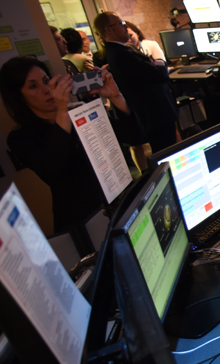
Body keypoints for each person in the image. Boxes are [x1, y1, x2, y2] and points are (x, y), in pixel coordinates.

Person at [0, 57, 136, 234]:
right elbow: (53, 169)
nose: (46, 90)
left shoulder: (81, 111)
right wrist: (63, 111)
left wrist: (116, 97)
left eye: (46, 81)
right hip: (84, 221)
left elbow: (134, 136)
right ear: (19, 97)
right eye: (33, 86)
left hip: (120, 204)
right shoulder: (21, 137)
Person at [93, 12, 179, 154]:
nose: (125, 26)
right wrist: (160, 65)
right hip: (156, 116)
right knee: (167, 154)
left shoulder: (120, 50)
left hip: (156, 115)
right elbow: (160, 74)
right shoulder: (122, 54)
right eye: (121, 24)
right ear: (108, 29)